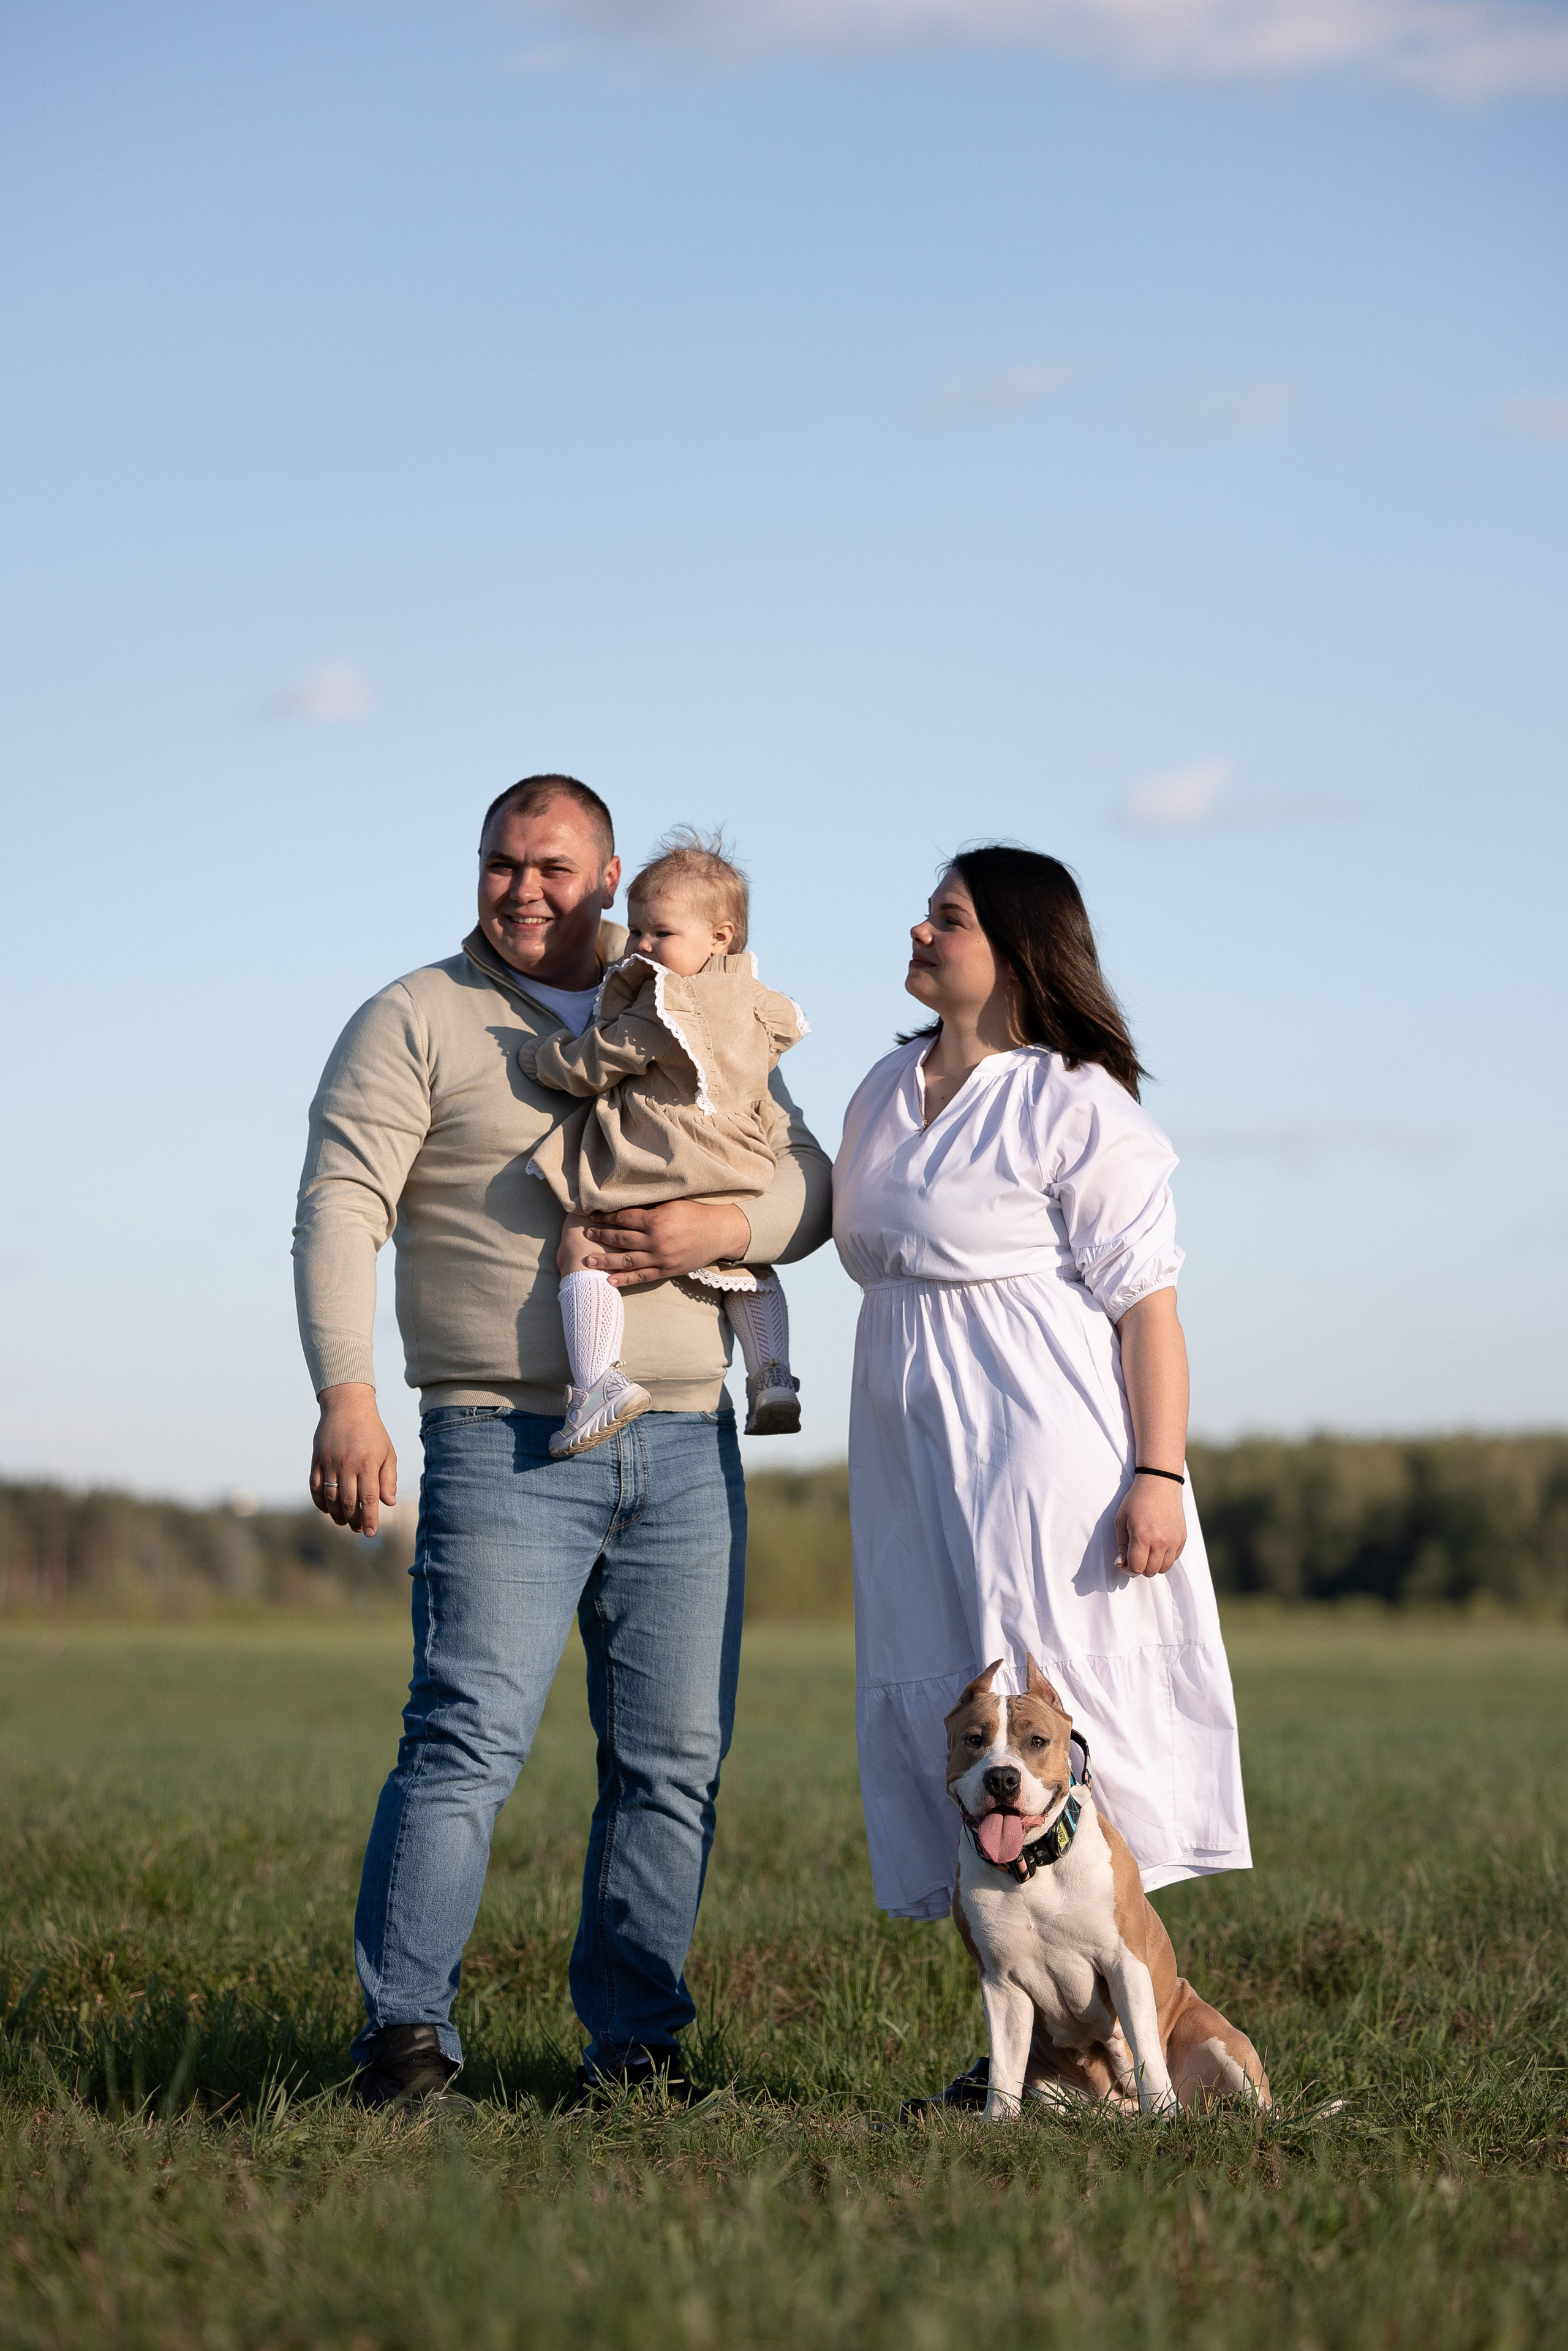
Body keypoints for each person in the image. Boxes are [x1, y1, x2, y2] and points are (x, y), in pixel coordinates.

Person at [293, 774, 831, 2110]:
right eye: (498, 863)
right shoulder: (412, 1017)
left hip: (689, 1439)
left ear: (605, 879)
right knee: (465, 1739)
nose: (520, 888)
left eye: (549, 867)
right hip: (502, 1437)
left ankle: (635, 2053)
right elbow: (340, 1203)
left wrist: (731, 1228)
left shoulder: (695, 998)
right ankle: (405, 2045)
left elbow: (810, 1176)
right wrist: (344, 1392)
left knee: (670, 1761)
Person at [830, 845, 1250, 2110]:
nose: (917, 927)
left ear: (1013, 949)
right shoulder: (879, 1085)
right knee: (957, 1730)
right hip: (909, 1465)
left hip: (1040, 1446)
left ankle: (1126, 2043)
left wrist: (1157, 1470)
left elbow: (1147, 1307)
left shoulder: (1074, 1101)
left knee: (1049, 1723)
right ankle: (1034, 2056)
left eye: (945, 916)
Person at [520, 829, 806, 1459]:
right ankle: (772, 1375)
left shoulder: (665, 1003)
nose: (642, 946)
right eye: (637, 929)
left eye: (659, 934)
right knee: (745, 1265)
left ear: (720, 937)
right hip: (738, 1156)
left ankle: (598, 1383)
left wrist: (545, 1060)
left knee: (584, 1242)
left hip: (666, 1152)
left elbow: (600, 1061)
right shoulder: (758, 1002)